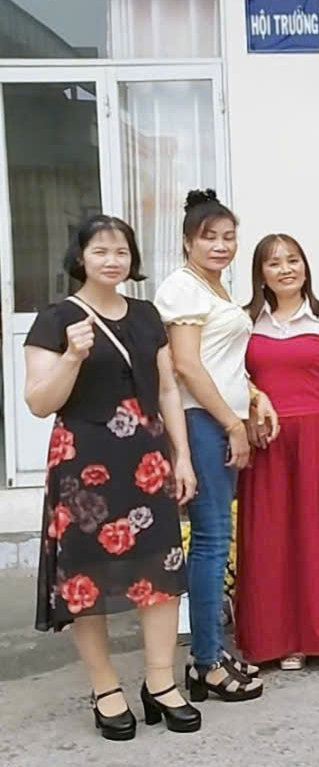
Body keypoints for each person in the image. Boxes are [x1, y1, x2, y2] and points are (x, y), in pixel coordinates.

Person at [24, 215, 201, 739]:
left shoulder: (147, 315)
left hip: (147, 460)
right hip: (84, 466)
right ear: (80, 257)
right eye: (100, 251)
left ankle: (161, 682)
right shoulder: (56, 319)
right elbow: (39, 402)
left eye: (121, 251)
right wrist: (73, 357)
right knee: (87, 579)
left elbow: (167, 390)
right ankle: (105, 688)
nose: (112, 260)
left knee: (161, 570)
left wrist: (182, 457)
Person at [154, 190, 271, 703]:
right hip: (201, 422)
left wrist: (255, 397)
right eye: (209, 238)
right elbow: (186, 366)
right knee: (210, 539)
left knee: (216, 538)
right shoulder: (182, 289)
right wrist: (232, 425)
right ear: (187, 242)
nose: (221, 246)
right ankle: (205, 660)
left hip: (220, 417)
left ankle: (211, 652)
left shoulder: (215, 288)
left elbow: (225, 362)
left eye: (228, 237)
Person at [234, 235, 319, 676]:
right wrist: (252, 406)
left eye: (293, 260)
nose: (286, 269)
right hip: (267, 439)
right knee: (273, 537)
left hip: (317, 434)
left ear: (305, 267)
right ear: (261, 274)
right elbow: (233, 376)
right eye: (275, 263)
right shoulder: (245, 321)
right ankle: (284, 638)